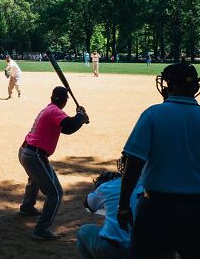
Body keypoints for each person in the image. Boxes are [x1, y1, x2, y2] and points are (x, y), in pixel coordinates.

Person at [117, 60, 200, 258]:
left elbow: (134, 165)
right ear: (196, 87)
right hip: (198, 211)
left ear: (169, 86)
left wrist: (123, 206)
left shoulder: (152, 115)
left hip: (156, 209)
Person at [18, 86, 89, 240]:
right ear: (65, 101)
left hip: (26, 152)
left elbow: (67, 125)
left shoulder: (49, 109)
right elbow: (69, 127)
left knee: (35, 178)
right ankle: (41, 230)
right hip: (35, 155)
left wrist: (80, 118)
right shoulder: (55, 111)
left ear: (52, 97)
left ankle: (27, 206)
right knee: (55, 194)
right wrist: (80, 116)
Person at [77, 163, 151, 259]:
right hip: (146, 250)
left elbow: (89, 205)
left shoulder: (110, 185)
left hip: (115, 250)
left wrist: (102, 187)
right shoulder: (153, 186)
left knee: (83, 231)